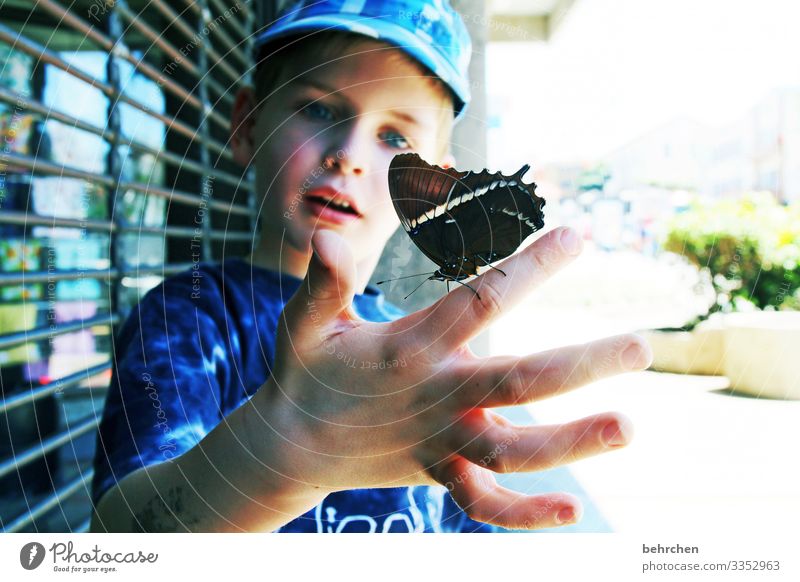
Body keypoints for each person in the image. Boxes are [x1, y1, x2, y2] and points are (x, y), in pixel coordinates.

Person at [90, 0, 652, 533]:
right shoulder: (187, 317)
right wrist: (282, 453)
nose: (350, 154)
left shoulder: (420, 354)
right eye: (318, 109)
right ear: (249, 125)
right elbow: (120, 538)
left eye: (395, 137)